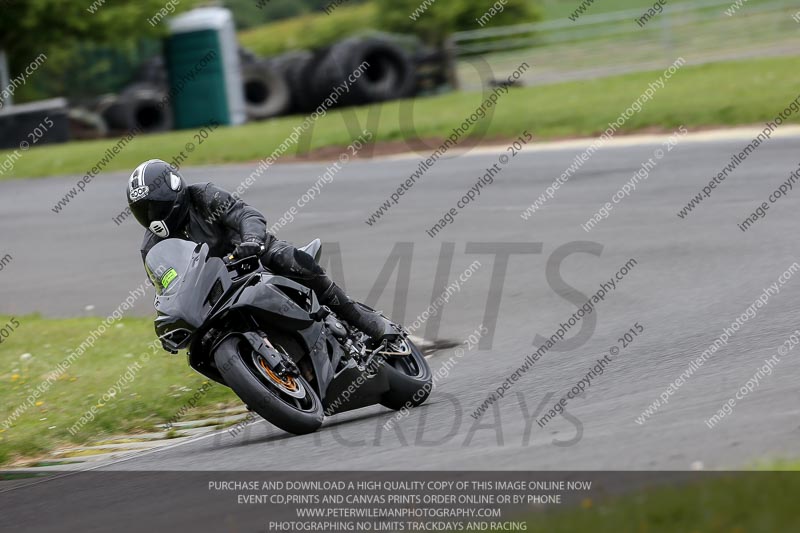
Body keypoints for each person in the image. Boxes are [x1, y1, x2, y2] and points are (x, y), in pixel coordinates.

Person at [126, 159, 398, 348]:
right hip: (214, 288)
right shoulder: (151, 248)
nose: (151, 217)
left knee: (289, 260)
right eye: (143, 211)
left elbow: (246, 214)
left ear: (175, 192)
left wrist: (252, 240)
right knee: (202, 341)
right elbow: (166, 287)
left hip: (252, 256)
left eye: (155, 207)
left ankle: (362, 320)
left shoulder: (203, 196)